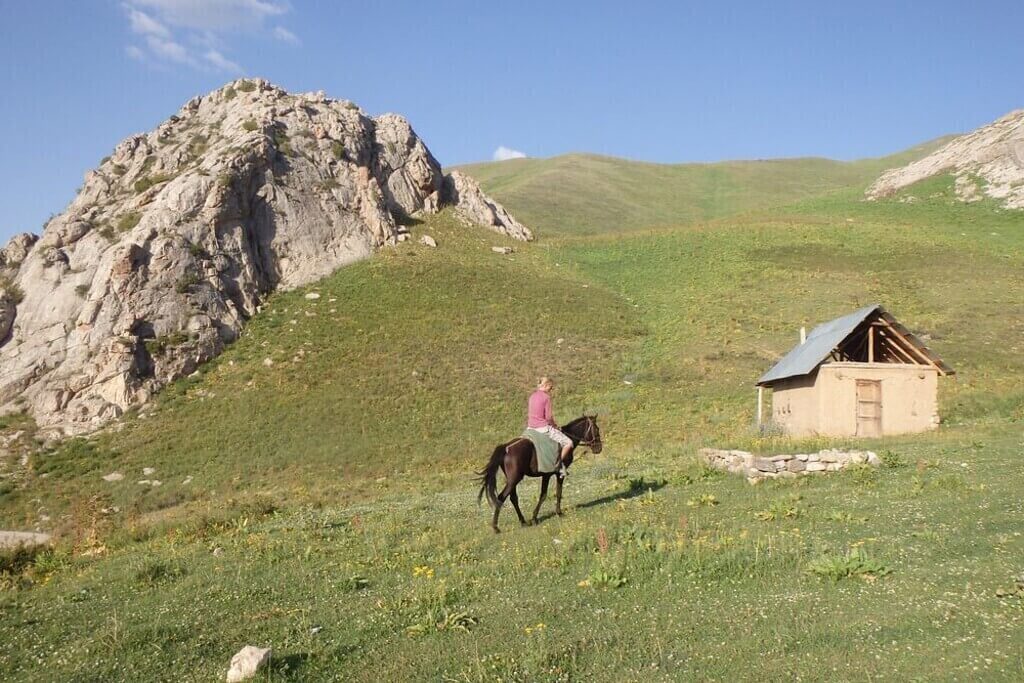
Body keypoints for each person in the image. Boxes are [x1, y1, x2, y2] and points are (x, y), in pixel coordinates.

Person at [527, 376, 571, 477]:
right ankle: (559, 466)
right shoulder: (546, 397)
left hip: (530, 428)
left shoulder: (532, 396)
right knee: (568, 443)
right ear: (546, 385)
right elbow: (548, 417)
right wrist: (555, 426)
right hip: (542, 428)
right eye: (550, 387)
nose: (551, 390)